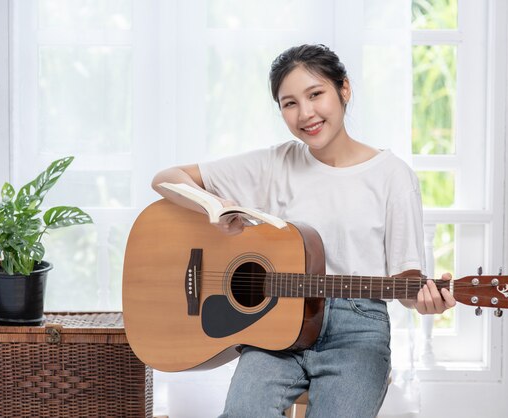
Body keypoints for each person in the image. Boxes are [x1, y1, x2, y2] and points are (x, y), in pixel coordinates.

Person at [152, 44, 456, 418]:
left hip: (357, 332)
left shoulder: (392, 175)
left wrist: (425, 300)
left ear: (343, 90)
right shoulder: (275, 162)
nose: (306, 114)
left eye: (316, 94)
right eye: (289, 103)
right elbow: (167, 180)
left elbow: (407, 280)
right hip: (276, 326)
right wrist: (213, 209)